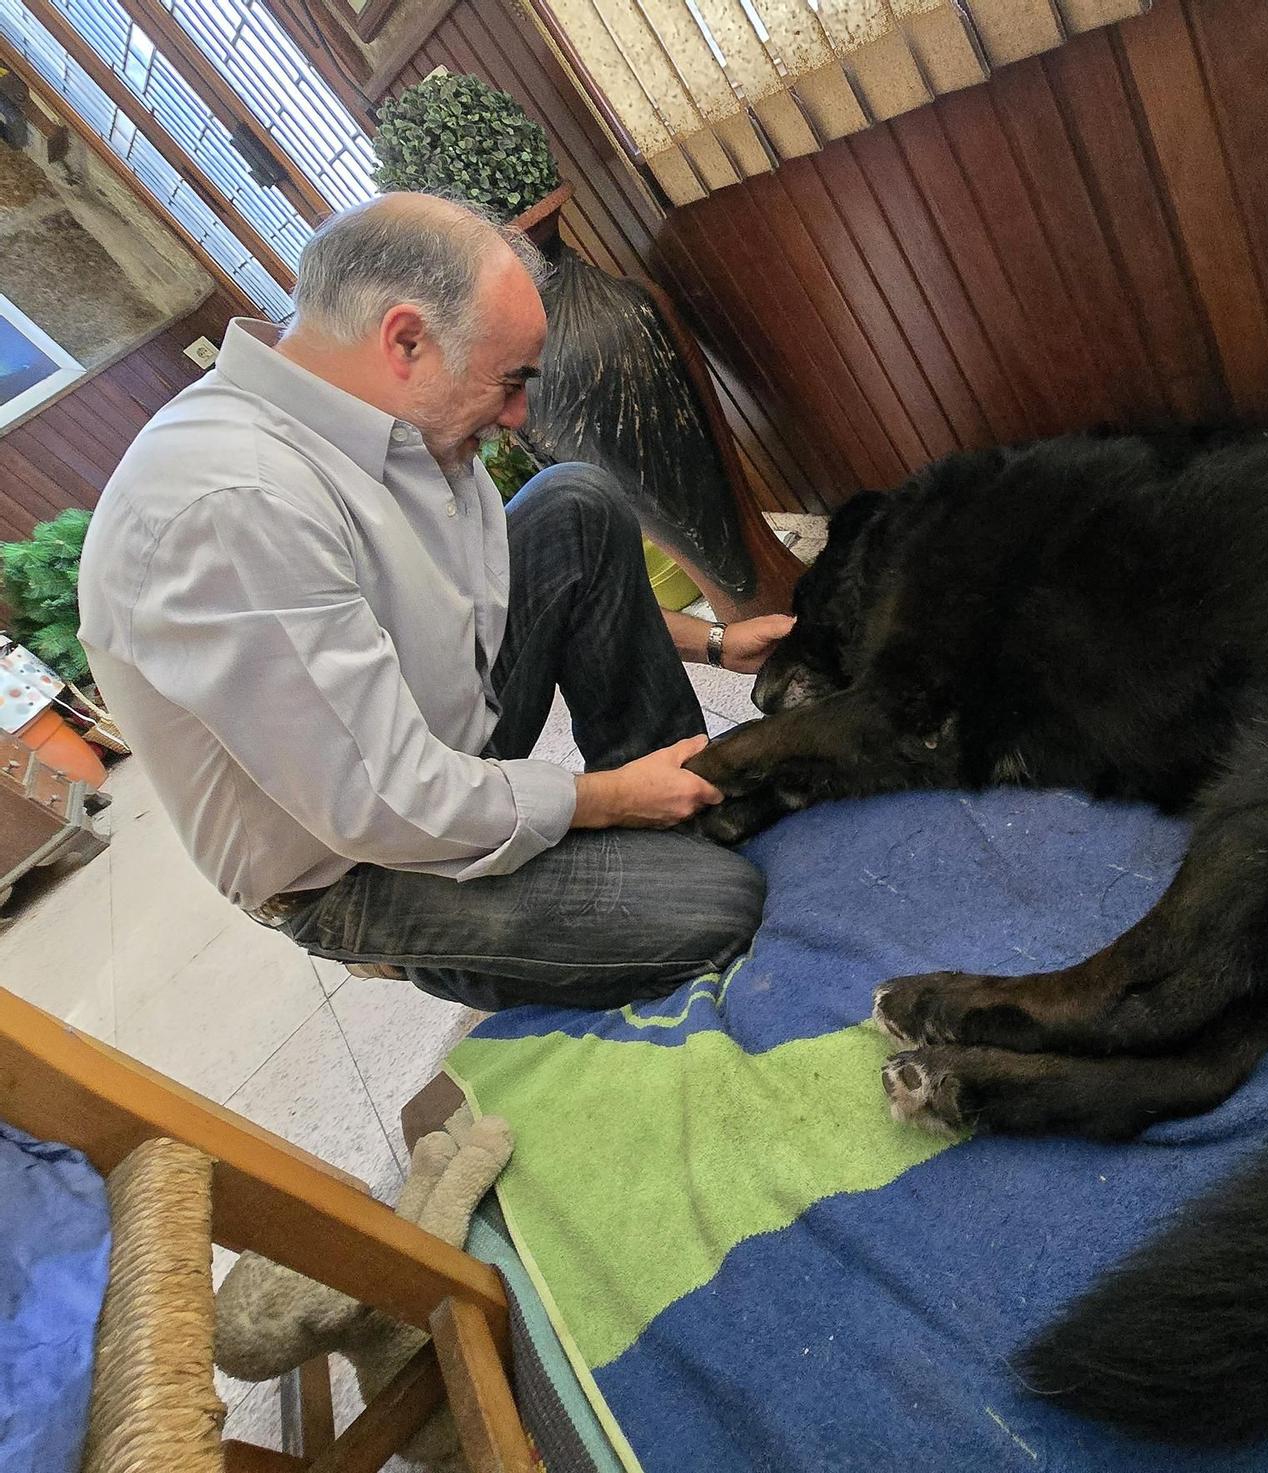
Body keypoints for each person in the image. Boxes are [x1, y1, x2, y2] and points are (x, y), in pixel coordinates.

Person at [77, 193, 793, 1011]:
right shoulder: (234, 509)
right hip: (357, 861)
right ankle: (417, 940)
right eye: (510, 381)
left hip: (443, 738)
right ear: (407, 339)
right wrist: (605, 801)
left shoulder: (392, 416)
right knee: (720, 906)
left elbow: (489, 595)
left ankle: (677, 798)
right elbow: (383, 803)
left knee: (576, 502)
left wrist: (713, 642)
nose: (519, 416)